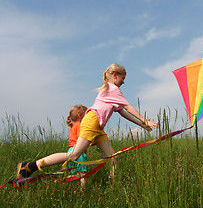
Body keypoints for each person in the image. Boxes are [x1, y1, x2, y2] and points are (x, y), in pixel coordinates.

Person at [17, 63, 158, 180]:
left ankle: (114, 185)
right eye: (123, 77)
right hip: (92, 122)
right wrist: (145, 119)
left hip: (98, 127)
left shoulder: (109, 90)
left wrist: (142, 124)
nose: (123, 81)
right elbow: (128, 107)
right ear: (115, 75)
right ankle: (30, 166)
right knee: (73, 155)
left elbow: (122, 112)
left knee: (113, 157)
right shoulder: (113, 89)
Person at [66, 104, 89, 188]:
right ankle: (83, 192)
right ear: (80, 116)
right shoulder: (80, 125)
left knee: (77, 174)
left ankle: (64, 181)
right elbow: (81, 137)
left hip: (71, 151)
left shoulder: (71, 127)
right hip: (79, 152)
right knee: (83, 175)